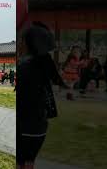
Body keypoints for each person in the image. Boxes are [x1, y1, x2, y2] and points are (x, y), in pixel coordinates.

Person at [18, 22, 68, 168]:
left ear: (28, 44)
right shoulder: (43, 65)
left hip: (25, 126)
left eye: (21, 40)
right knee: (29, 162)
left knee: (21, 162)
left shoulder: (25, 68)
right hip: (39, 126)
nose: (19, 44)